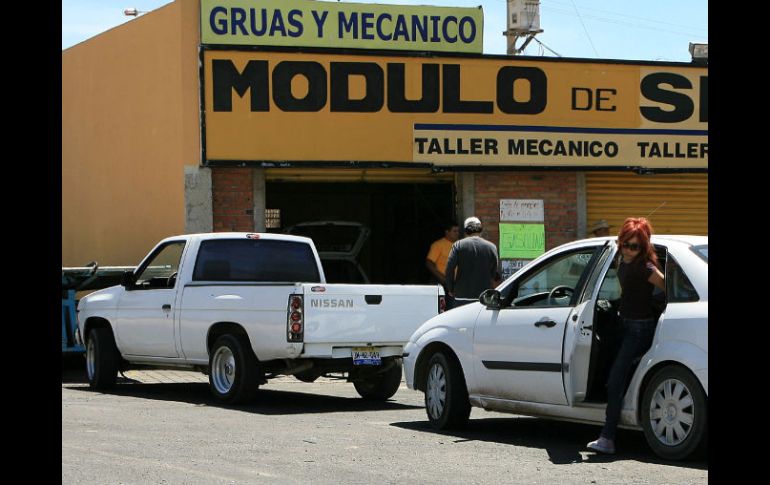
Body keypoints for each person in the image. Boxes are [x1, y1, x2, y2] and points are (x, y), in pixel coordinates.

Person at [587, 217, 665, 455]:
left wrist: (658, 304)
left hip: (639, 329)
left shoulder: (645, 268)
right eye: (625, 244)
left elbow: (669, 287)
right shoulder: (621, 259)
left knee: (615, 381)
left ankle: (608, 437)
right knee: (610, 372)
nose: (629, 250)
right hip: (625, 325)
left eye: (636, 246)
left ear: (644, 247)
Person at [444, 217, 499, 309]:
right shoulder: (491, 247)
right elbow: (494, 272)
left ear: (466, 230)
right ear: (480, 229)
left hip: (461, 296)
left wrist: (451, 288)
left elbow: (449, 269)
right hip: (484, 297)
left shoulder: (458, 245)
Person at [425, 221, 460, 288]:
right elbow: (429, 263)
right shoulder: (438, 245)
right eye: (454, 231)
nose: (457, 233)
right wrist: (442, 278)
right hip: (442, 283)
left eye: (458, 231)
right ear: (447, 232)